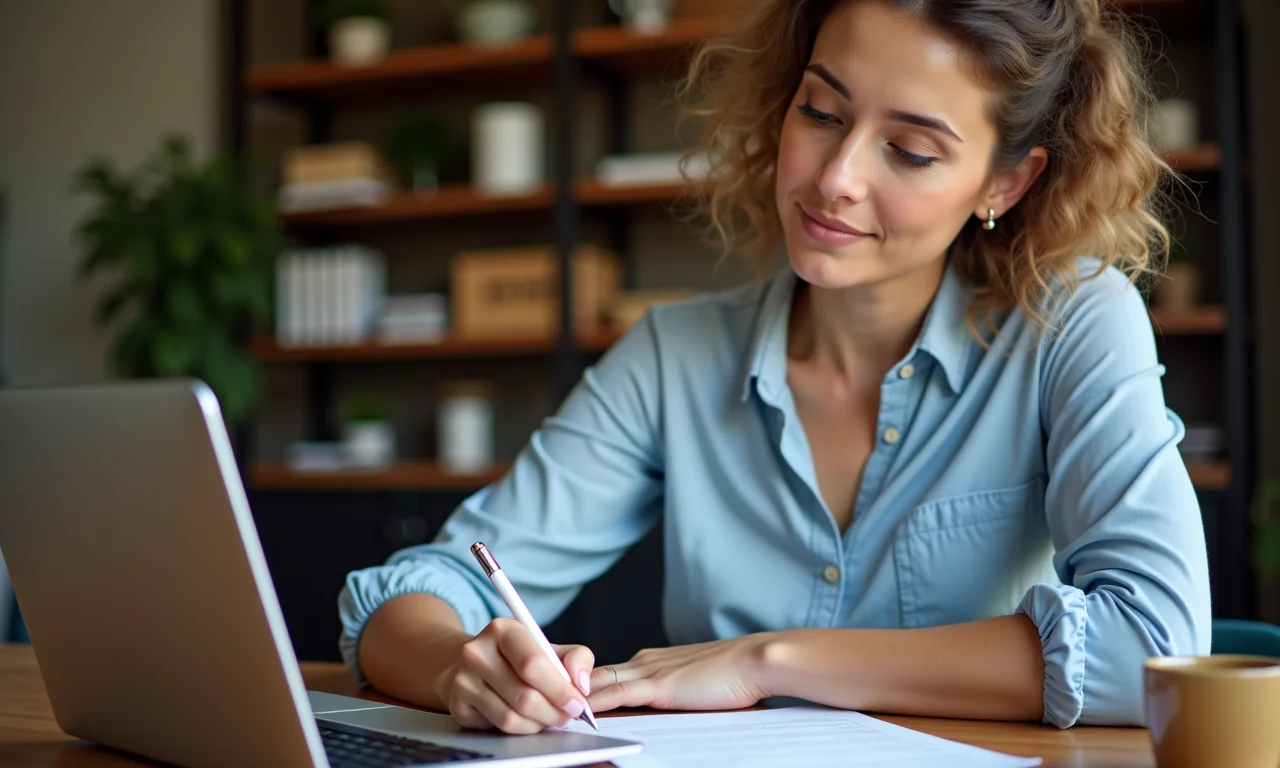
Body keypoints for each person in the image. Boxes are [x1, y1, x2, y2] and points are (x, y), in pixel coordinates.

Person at [338, 0, 1211, 734]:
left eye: (910, 151)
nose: (835, 178)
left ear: (1006, 184)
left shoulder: (1071, 324)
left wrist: (767, 659)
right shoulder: (674, 356)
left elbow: (1159, 648)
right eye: (822, 113)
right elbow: (415, 591)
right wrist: (465, 668)